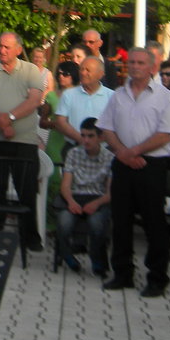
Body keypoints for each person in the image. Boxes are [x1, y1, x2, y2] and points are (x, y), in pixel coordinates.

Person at [98, 47, 170, 298]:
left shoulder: (166, 97)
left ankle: (157, 278)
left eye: (140, 63)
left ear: (152, 66)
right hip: (122, 163)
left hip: (151, 165)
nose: (134, 66)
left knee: (154, 222)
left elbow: (165, 135)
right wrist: (123, 153)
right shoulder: (118, 95)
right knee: (121, 219)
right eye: (131, 62)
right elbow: (106, 128)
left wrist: (134, 152)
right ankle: (123, 274)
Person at [0, 31, 45, 251]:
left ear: (18, 49)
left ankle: (29, 237)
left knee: (26, 189)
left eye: (7, 47)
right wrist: (1, 122)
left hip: (24, 141)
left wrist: (10, 118)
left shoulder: (31, 70)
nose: (2, 50)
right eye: (0, 46)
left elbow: (34, 100)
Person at [57, 117, 112, 275]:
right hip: (75, 196)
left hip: (97, 198)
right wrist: (71, 201)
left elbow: (110, 192)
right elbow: (65, 185)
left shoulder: (109, 158)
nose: (86, 140)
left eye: (90, 136)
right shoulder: (73, 153)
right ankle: (67, 255)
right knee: (64, 222)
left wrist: (96, 203)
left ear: (100, 138)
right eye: (83, 135)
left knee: (97, 224)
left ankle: (96, 258)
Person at [52, 58, 113, 154]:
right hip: (74, 148)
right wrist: (82, 139)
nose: (83, 73)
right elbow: (61, 122)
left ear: (100, 74)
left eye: (88, 70)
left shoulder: (112, 96)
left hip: (104, 150)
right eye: (82, 69)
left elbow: (117, 124)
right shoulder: (69, 94)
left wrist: (97, 141)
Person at [39, 60, 79, 166]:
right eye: (59, 74)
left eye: (65, 74)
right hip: (55, 142)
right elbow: (42, 122)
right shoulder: (51, 96)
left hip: (76, 142)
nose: (61, 76)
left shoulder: (82, 96)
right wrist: (58, 124)